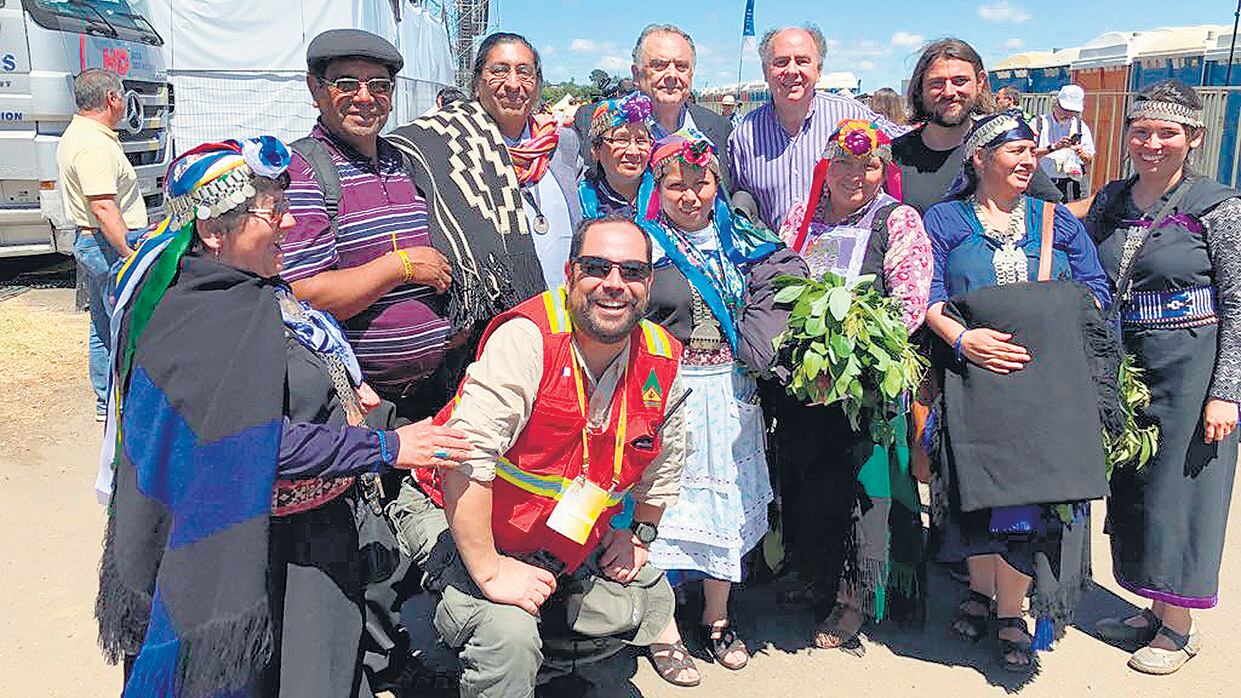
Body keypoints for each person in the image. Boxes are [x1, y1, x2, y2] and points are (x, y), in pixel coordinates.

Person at [93, 137, 475, 697]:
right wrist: (390, 447)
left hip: (303, 538)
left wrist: (350, 394)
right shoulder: (202, 316)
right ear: (213, 231)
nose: (291, 221)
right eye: (272, 210)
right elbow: (256, 443)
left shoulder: (248, 292)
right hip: (256, 549)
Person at [389, 216, 687, 697]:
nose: (614, 285)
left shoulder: (660, 357)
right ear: (570, 275)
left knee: (646, 591)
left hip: (554, 526)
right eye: (597, 268)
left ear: (648, 284)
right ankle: (442, 633)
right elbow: (464, 458)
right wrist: (490, 571)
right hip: (449, 507)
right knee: (507, 636)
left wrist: (640, 533)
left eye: (632, 272)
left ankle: (546, 653)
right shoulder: (529, 339)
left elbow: (663, 460)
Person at [921, 111, 1112, 672]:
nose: (1029, 160)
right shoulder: (947, 221)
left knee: (1025, 498)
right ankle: (979, 592)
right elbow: (926, 293)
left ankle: (1010, 611)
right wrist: (963, 340)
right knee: (977, 491)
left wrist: (1051, 325)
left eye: (1033, 151)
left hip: (1039, 382)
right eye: (1014, 151)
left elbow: (1095, 292)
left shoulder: (1057, 223)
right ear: (979, 158)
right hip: (970, 374)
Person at [631, 131, 801, 685]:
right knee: (664, 504)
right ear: (660, 188)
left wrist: (764, 339)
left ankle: (718, 618)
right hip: (671, 392)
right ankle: (664, 631)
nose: (690, 196)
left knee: (723, 505)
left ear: (716, 184)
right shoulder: (645, 244)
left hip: (732, 392)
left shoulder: (743, 236)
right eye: (675, 185)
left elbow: (787, 277)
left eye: (700, 183)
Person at [1085, 80, 1241, 675]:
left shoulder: (1219, 207)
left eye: (1167, 132)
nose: (1152, 142)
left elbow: (1237, 301)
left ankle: (1178, 625)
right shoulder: (1112, 199)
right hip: (1128, 365)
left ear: (1193, 138)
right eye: (1141, 130)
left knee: (1183, 491)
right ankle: (1153, 605)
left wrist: (1226, 391)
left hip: (1192, 369)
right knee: (1140, 485)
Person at [773, 119, 932, 653]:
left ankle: (854, 596)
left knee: (863, 488)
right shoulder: (802, 217)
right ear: (826, 165)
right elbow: (778, 281)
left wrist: (851, 349)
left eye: (867, 165)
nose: (854, 175)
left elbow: (907, 305)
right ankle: (815, 573)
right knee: (810, 479)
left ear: (882, 169)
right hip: (806, 381)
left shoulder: (898, 220)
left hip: (864, 385)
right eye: (842, 163)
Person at [282, 29, 455, 420]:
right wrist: (402, 266)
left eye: (379, 85)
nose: (365, 97)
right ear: (316, 90)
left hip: (436, 390)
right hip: (359, 404)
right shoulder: (305, 171)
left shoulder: (407, 162)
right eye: (347, 83)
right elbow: (302, 296)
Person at [401, 32, 582, 290]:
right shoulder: (449, 147)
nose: (513, 83)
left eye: (524, 72)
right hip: (495, 315)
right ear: (477, 83)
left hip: (566, 309)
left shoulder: (561, 144)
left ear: (537, 83)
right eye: (499, 71)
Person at [728, 25, 899, 230]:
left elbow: (908, 143)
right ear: (765, 71)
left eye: (802, 61)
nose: (792, 70)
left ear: (818, 70)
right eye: (781, 62)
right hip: (775, 259)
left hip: (841, 255)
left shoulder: (852, 114)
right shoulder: (744, 135)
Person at [56, 68, 149, 420]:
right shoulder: (94, 144)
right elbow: (103, 205)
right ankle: (125, 402)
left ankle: (106, 402)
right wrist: (130, 253)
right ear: (112, 98)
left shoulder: (83, 134)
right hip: (108, 244)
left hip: (93, 241)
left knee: (102, 326)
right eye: (123, 96)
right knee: (128, 324)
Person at [893, 38, 1062, 214]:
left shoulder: (1005, 148)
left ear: (979, 82)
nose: (949, 92)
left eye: (960, 81)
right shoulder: (893, 157)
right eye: (937, 83)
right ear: (920, 88)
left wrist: (1092, 205)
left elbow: (1055, 214)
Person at [573, 24, 733, 188]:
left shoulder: (719, 128)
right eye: (659, 65)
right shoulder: (590, 121)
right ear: (636, 74)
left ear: (691, 73)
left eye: (681, 66)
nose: (672, 75)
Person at [578, 91, 654, 219]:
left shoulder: (666, 195)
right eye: (621, 140)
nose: (633, 151)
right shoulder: (579, 202)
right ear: (596, 149)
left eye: (641, 141)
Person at [1034, 85, 1095, 202]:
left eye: (1072, 111)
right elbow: (1030, 154)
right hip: (1045, 183)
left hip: (1072, 184)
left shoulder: (1080, 126)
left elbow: (1089, 159)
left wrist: (1080, 152)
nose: (1068, 114)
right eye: (1065, 110)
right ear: (1056, 104)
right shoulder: (1039, 123)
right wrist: (1054, 147)